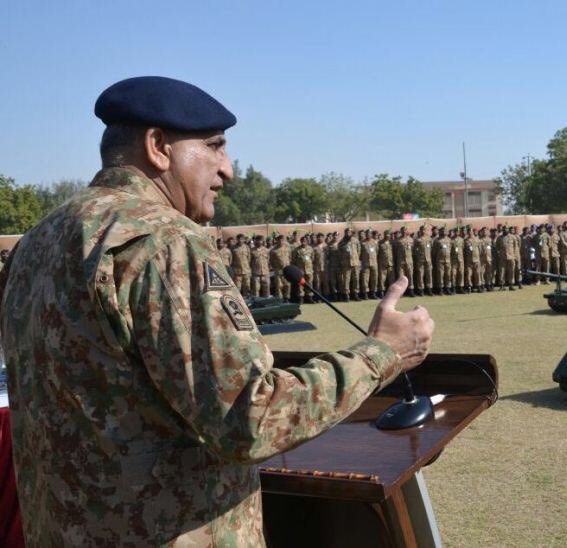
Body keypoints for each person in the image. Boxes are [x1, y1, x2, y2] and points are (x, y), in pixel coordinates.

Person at [0, 76, 434, 546]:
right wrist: (382, 353)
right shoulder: (164, 240)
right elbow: (251, 420)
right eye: (214, 146)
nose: (228, 170)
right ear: (158, 146)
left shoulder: (37, 242)